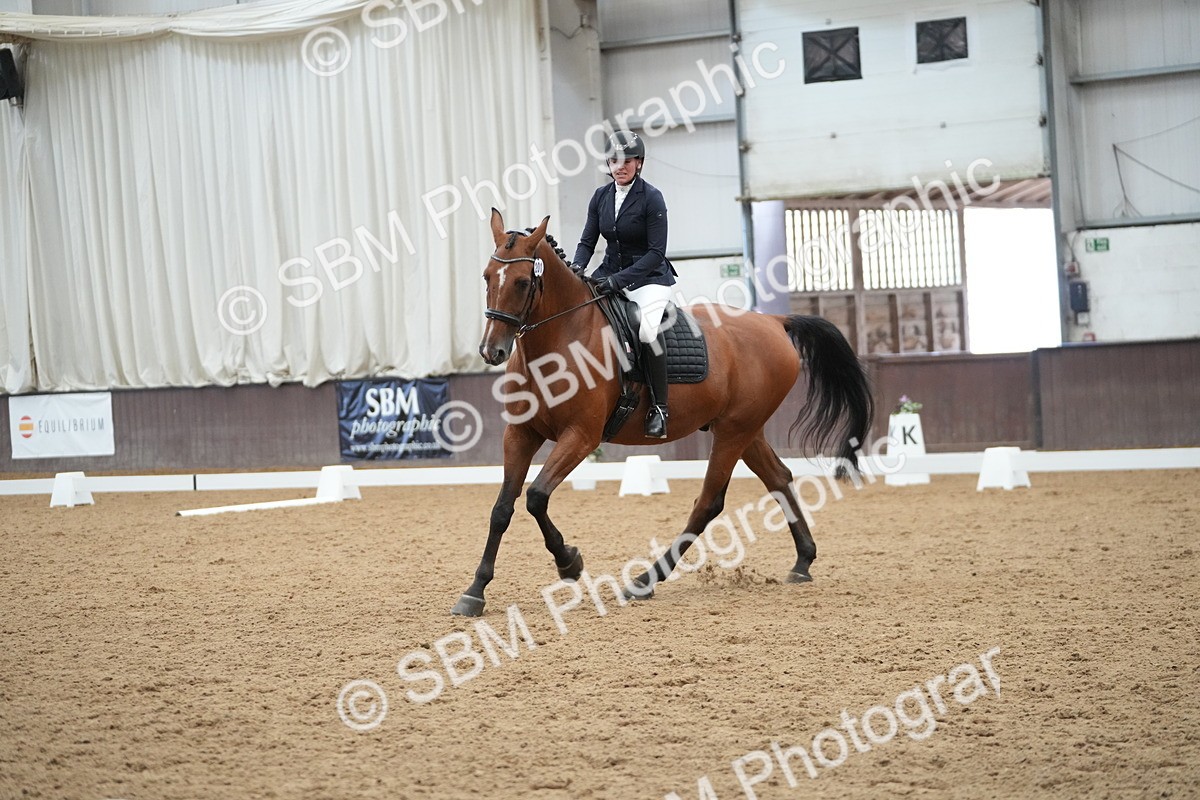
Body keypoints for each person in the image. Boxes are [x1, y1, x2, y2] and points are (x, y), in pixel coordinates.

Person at [571, 130, 677, 439]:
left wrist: (619, 280)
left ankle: (660, 407)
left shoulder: (652, 198)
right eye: (615, 160)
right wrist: (577, 269)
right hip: (608, 274)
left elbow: (657, 252)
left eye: (628, 161)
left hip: (649, 278)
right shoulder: (601, 197)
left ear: (639, 164)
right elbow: (587, 241)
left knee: (647, 330)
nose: (621, 166)